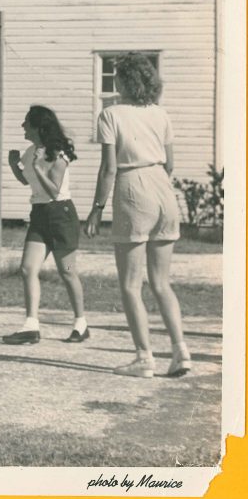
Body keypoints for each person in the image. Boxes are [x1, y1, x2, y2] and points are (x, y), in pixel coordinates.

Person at [86, 54, 191, 378]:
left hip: (133, 186)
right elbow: (170, 163)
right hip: (163, 187)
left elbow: (109, 168)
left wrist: (97, 208)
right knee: (161, 282)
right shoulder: (160, 113)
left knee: (131, 284)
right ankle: (181, 352)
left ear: (124, 81)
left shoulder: (111, 114)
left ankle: (144, 357)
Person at [3, 106, 87, 345]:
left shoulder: (59, 154)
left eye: (26, 122)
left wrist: (40, 168)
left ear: (39, 127)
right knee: (28, 269)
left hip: (61, 213)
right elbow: (26, 181)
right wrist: (13, 166)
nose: (23, 126)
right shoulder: (30, 151)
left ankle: (81, 324)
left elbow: (54, 190)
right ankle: (31, 325)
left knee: (67, 272)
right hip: (39, 214)